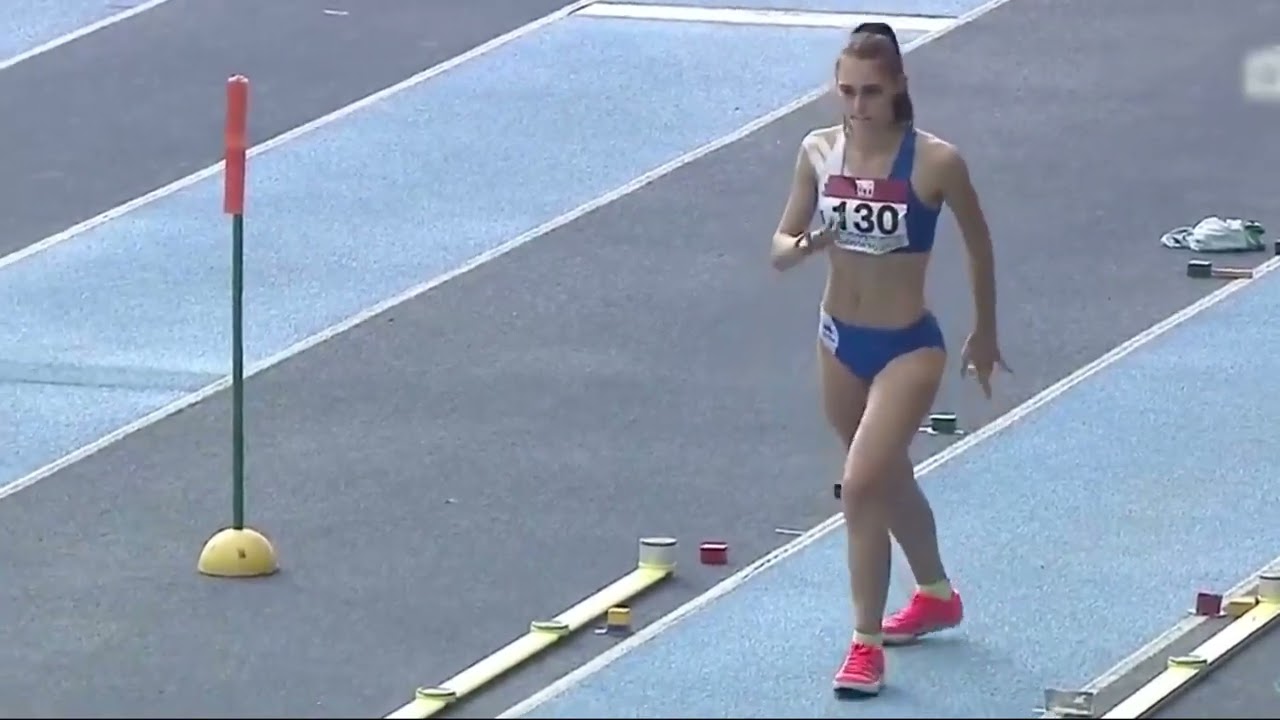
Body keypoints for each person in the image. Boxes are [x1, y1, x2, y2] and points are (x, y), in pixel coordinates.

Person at [769, 23, 1008, 695]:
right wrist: (811, 243)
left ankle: (864, 645)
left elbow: (980, 245)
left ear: (899, 85)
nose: (857, 105)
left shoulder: (935, 162)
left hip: (908, 347)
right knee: (887, 476)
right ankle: (935, 595)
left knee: (862, 487)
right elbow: (779, 248)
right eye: (846, 91)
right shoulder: (818, 151)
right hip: (839, 342)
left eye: (870, 92)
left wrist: (985, 333)